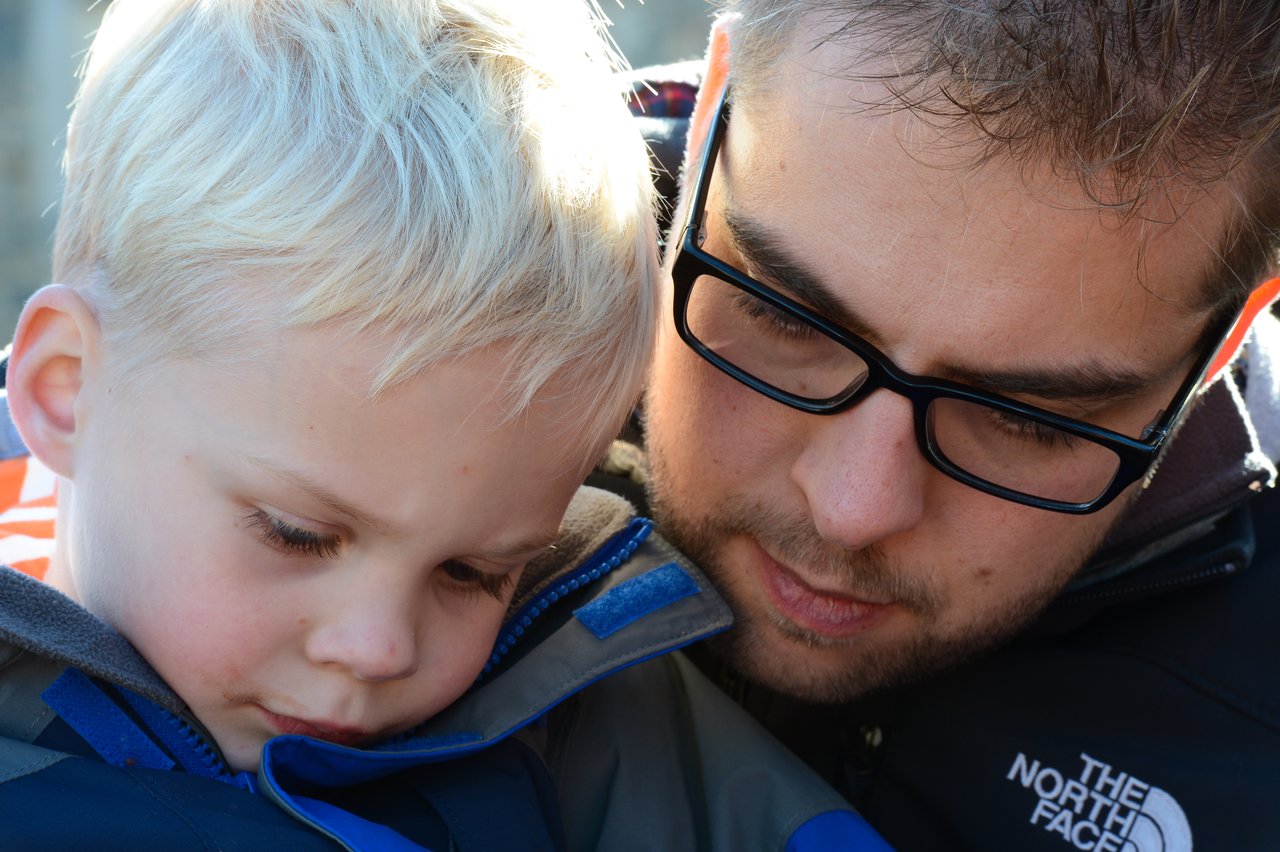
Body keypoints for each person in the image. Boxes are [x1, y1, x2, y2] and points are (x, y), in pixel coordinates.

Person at [0, 0, 889, 848]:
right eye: (299, 535)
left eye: (475, 573)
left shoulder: (591, 718)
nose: (379, 648)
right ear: (66, 388)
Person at [609, 2, 1280, 849]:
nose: (851, 512)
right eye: (787, 319)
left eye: (1026, 419)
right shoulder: (406, 320)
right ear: (713, 108)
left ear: (1221, 344)